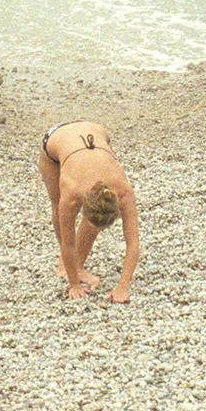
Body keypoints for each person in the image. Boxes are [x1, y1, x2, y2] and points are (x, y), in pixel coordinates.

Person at [37, 121, 140, 303]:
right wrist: (74, 285)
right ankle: (68, 267)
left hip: (96, 132)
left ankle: (78, 264)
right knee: (57, 204)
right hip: (55, 140)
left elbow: (132, 243)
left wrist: (122, 287)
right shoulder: (72, 192)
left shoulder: (124, 191)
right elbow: (68, 243)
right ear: (83, 203)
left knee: (97, 217)